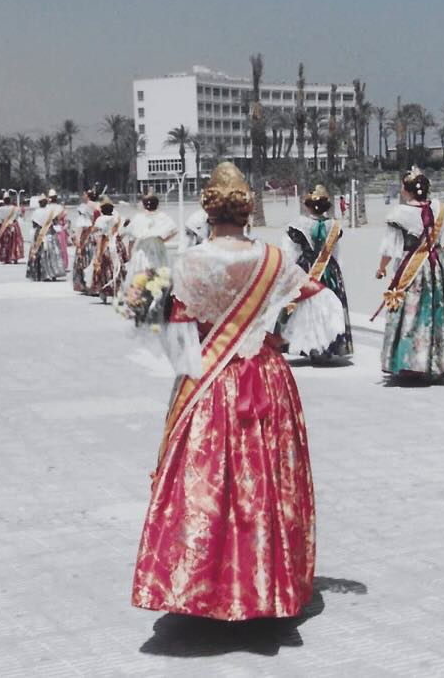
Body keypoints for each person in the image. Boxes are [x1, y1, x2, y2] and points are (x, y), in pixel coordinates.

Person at [133, 162, 339, 622]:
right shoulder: (274, 259)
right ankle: (264, 584)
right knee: (264, 480)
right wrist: (274, 332)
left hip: (206, 377)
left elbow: (156, 318)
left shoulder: (187, 261)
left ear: (209, 213)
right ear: (247, 214)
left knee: (204, 480)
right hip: (264, 378)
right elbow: (321, 300)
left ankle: (200, 586)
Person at [375, 167, 444, 380]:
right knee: (435, 312)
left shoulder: (399, 214)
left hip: (412, 266)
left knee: (411, 312)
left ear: (406, 191)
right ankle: (435, 363)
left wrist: (381, 268)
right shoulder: (440, 209)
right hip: (438, 265)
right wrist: (440, 250)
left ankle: (411, 363)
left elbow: (391, 248)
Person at [280, 185, 352, 361]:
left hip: (305, 268)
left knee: (306, 306)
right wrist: (336, 271)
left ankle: (308, 345)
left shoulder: (298, 225)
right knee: (327, 307)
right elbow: (336, 252)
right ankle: (327, 345)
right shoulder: (333, 225)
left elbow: (289, 251)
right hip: (329, 270)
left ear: (307, 205)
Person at [120, 190, 177, 281]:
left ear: (143, 205)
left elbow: (128, 233)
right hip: (157, 246)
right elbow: (174, 230)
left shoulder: (139, 217)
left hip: (143, 249)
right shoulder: (162, 216)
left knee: (142, 271)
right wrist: (163, 240)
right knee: (159, 270)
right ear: (157, 205)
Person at [26, 192, 69, 282]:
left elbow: (34, 224)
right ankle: (52, 273)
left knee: (40, 254)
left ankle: (40, 273)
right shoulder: (51, 211)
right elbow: (55, 221)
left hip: (40, 234)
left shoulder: (36, 212)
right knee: (51, 254)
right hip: (50, 233)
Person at [87, 197, 125, 301]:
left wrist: (98, 253)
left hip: (105, 246)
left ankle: (103, 291)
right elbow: (121, 234)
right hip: (116, 245)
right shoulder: (116, 218)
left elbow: (100, 236)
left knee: (103, 268)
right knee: (115, 267)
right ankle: (117, 290)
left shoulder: (100, 220)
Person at [71, 189, 100, 292]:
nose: (83, 196)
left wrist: (78, 239)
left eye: (84, 194)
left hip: (87, 236)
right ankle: (96, 283)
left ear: (87, 196)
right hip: (97, 235)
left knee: (84, 259)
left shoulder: (84, 208)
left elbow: (82, 225)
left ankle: (85, 284)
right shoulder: (99, 206)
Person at [0, 193, 26, 265]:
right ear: (10, 200)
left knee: (5, 242)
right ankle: (15, 257)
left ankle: (6, 257)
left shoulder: (1, 209)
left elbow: (0, 218)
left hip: (5, 226)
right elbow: (20, 215)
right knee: (15, 242)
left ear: (4, 201)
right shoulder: (15, 208)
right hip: (14, 225)